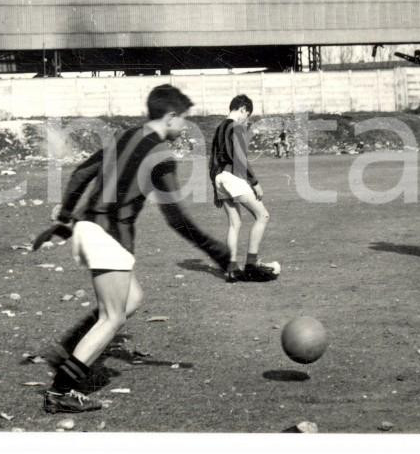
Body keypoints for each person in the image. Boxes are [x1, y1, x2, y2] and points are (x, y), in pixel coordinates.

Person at [40, 85, 233, 414]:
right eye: (184, 120)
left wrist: (68, 216)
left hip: (89, 229)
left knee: (131, 299)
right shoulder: (160, 154)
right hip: (108, 235)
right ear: (170, 117)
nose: (185, 127)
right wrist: (217, 252)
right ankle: (61, 391)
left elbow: (82, 172)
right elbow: (176, 218)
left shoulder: (124, 136)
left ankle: (68, 349)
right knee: (112, 317)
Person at [209, 94, 276, 283]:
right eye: (247, 115)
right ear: (243, 109)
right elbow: (240, 159)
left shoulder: (219, 128)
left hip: (219, 177)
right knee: (262, 215)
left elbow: (212, 160)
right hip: (232, 177)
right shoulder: (236, 127)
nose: (246, 119)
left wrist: (215, 187)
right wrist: (255, 183)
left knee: (234, 224)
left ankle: (231, 269)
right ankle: (251, 264)